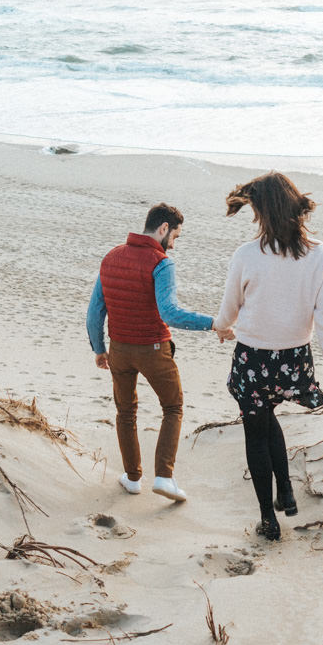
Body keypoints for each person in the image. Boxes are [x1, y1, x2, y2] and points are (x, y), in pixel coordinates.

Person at [213, 172, 323, 541]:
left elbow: (229, 309)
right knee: (268, 419)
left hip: (253, 358)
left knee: (256, 431)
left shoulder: (246, 254)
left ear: (262, 211)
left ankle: (268, 518)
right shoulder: (318, 253)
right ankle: (285, 489)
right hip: (294, 361)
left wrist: (222, 328)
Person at [87, 203, 216, 502]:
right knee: (172, 407)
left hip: (118, 349)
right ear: (163, 229)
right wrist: (211, 324)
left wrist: (99, 349)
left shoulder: (111, 257)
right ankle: (164, 477)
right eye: (175, 237)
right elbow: (169, 313)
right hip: (154, 350)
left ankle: (133, 478)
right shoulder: (162, 263)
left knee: (125, 412)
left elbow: (94, 313)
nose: (174, 244)